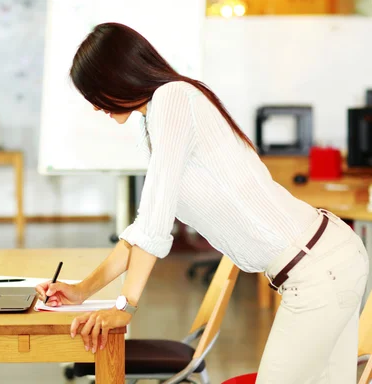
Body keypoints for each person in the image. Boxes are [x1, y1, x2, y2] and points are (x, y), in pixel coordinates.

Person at [34, 22, 368, 383]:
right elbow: (144, 227)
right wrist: (83, 289)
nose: (96, 107)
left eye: (96, 93)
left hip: (318, 267)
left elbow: (154, 223)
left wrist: (125, 307)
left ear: (119, 76)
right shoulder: (165, 112)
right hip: (326, 258)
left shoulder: (172, 98)